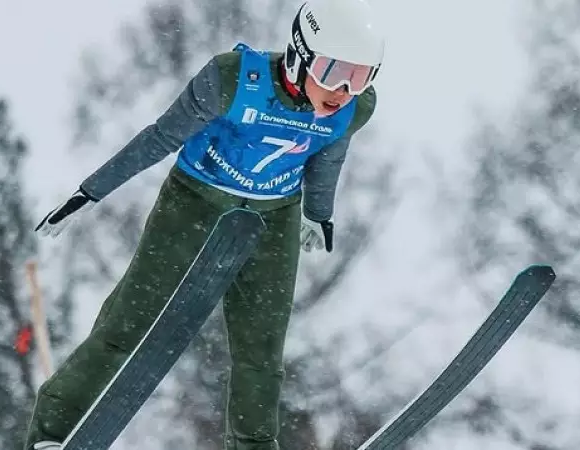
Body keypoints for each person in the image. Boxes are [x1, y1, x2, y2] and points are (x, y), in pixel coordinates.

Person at [25, 0, 385, 448]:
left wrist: (319, 212)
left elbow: (329, 153)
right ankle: (54, 430)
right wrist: (92, 190)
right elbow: (160, 137)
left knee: (262, 350)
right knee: (130, 322)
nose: (344, 91)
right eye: (334, 72)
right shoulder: (233, 81)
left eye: (361, 76)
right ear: (301, 53)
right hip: (195, 202)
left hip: (272, 217)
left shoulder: (353, 109)